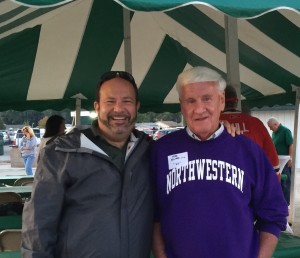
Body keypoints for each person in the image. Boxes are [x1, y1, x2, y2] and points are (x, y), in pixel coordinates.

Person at [151, 66, 288, 258]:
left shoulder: (248, 151)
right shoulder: (161, 150)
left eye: (207, 98)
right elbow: (154, 214)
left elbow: (273, 215)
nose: (199, 109)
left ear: (222, 101)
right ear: (182, 106)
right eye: (190, 101)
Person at [21, 71, 154, 258]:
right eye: (110, 101)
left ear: (137, 106)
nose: (119, 109)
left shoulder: (150, 152)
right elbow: (38, 222)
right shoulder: (62, 153)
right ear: (97, 107)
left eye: (127, 101)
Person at [220, 85, 280, 174]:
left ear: (219, 101)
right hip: (252, 180)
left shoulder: (212, 124)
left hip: (223, 181)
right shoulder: (256, 123)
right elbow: (273, 162)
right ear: (236, 101)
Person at [267, 117, 293, 206]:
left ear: (275, 124)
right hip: (276, 161)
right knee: (279, 181)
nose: (270, 129)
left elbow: (291, 145)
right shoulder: (274, 133)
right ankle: (280, 202)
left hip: (285, 161)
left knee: (285, 181)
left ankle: (286, 203)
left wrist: (290, 158)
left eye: (270, 127)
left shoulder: (285, 131)